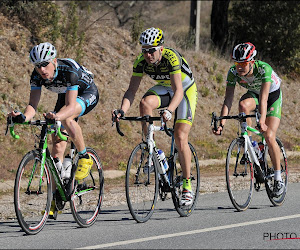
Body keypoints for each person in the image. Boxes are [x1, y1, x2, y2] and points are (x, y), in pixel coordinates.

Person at [7, 42, 99, 216]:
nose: (41, 69)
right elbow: (32, 106)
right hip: (65, 94)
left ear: (54, 61)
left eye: (44, 64)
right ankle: (56, 198)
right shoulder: (36, 76)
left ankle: (85, 157)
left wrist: (57, 116)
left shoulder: (69, 71)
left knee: (67, 118)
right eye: (37, 66)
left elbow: (71, 106)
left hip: (86, 92)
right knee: (56, 146)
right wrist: (22, 117)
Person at [112, 27, 198, 206]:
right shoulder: (140, 62)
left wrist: (169, 111)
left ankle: (187, 184)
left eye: (152, 50)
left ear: (161, 48)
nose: (148, 55)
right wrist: (122, 110)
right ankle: (152, 149)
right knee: (145, 104)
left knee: (180, 136)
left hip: (184, 90)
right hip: (164, 88)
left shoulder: (171, 58)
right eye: (144, 51)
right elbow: (131, 91)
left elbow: (178, 91)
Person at [212, 42, 284, 197]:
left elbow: (264, 99)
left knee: (269, 136)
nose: (239, 67)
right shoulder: (233, 72)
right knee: (243, 105)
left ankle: (278, 178)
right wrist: (222, 123)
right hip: (254, 94)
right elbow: (228, 99)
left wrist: (262, 121)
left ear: (252, 61)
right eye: (237, 63)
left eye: (243, 64)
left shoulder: (264, 69)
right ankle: (251, 144)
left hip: (272, 96)